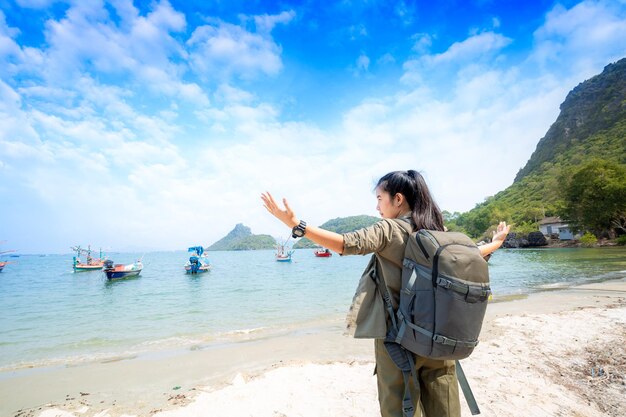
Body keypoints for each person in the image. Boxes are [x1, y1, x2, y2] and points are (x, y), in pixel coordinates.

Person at [261, 170, 510, 417]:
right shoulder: (439, 231)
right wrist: (496, 243)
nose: (377, 205)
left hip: (397, 339)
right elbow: (472, 257)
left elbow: (345, 243)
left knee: (399, 408)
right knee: (445, 408)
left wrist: (297, 225)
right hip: (438, 335)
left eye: (380, 198)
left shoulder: (389, 230)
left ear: (398, 199)